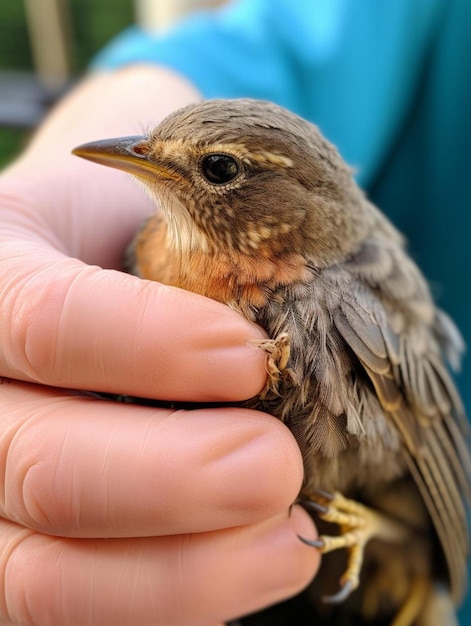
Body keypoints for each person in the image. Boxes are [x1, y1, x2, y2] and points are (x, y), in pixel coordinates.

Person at [0, 0, 469, 624]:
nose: (146, 163)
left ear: (289, 211)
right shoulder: (150, 247)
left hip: (388, 574)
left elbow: (428, 455)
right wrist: (41, 190)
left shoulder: (343, 293)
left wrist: (391, 535)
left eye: (217, 170)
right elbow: (278, 43)